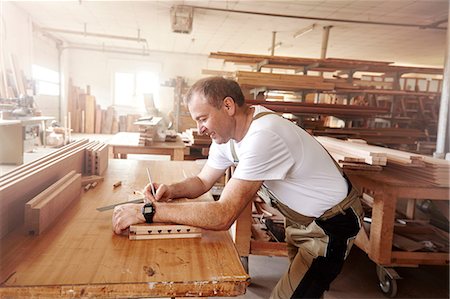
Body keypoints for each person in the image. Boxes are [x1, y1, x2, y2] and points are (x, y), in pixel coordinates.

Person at [112, 76, 363, 299]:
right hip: (299, 220)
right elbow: (202, 182)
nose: (200, 128)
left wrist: (149, 212)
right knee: (305, 288)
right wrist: (171, 190)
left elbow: (223, 215)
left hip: (330, 225)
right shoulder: (227, 138)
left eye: (202, 118)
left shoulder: (264, 135)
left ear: (228, 106)